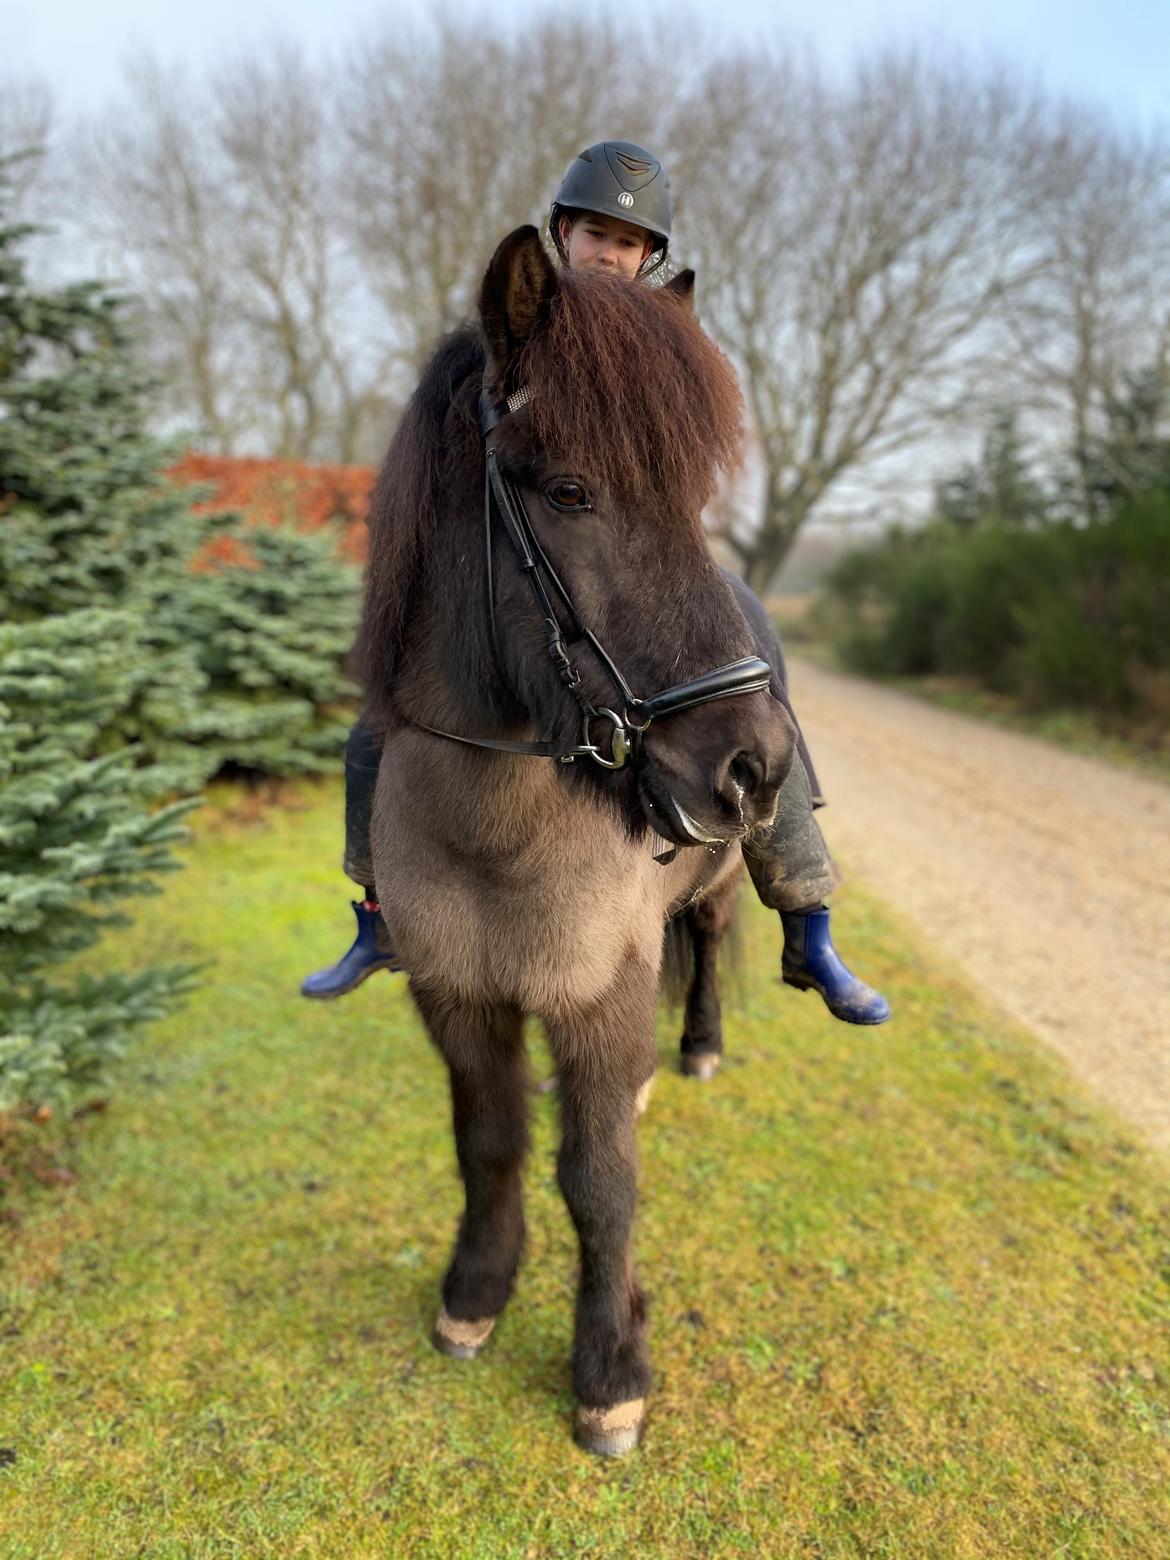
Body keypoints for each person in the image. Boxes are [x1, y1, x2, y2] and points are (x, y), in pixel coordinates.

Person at [301, 141, 889, 1026]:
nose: (610, 254)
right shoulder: (509, 334)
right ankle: (379, 915)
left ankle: (808, 922)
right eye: (595, 234)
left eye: (629, 242)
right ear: (561, 234)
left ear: (648, 258)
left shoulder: (660, 339)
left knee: (755, 665)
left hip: (654, 552)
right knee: (382, 716)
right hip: (532, 558)